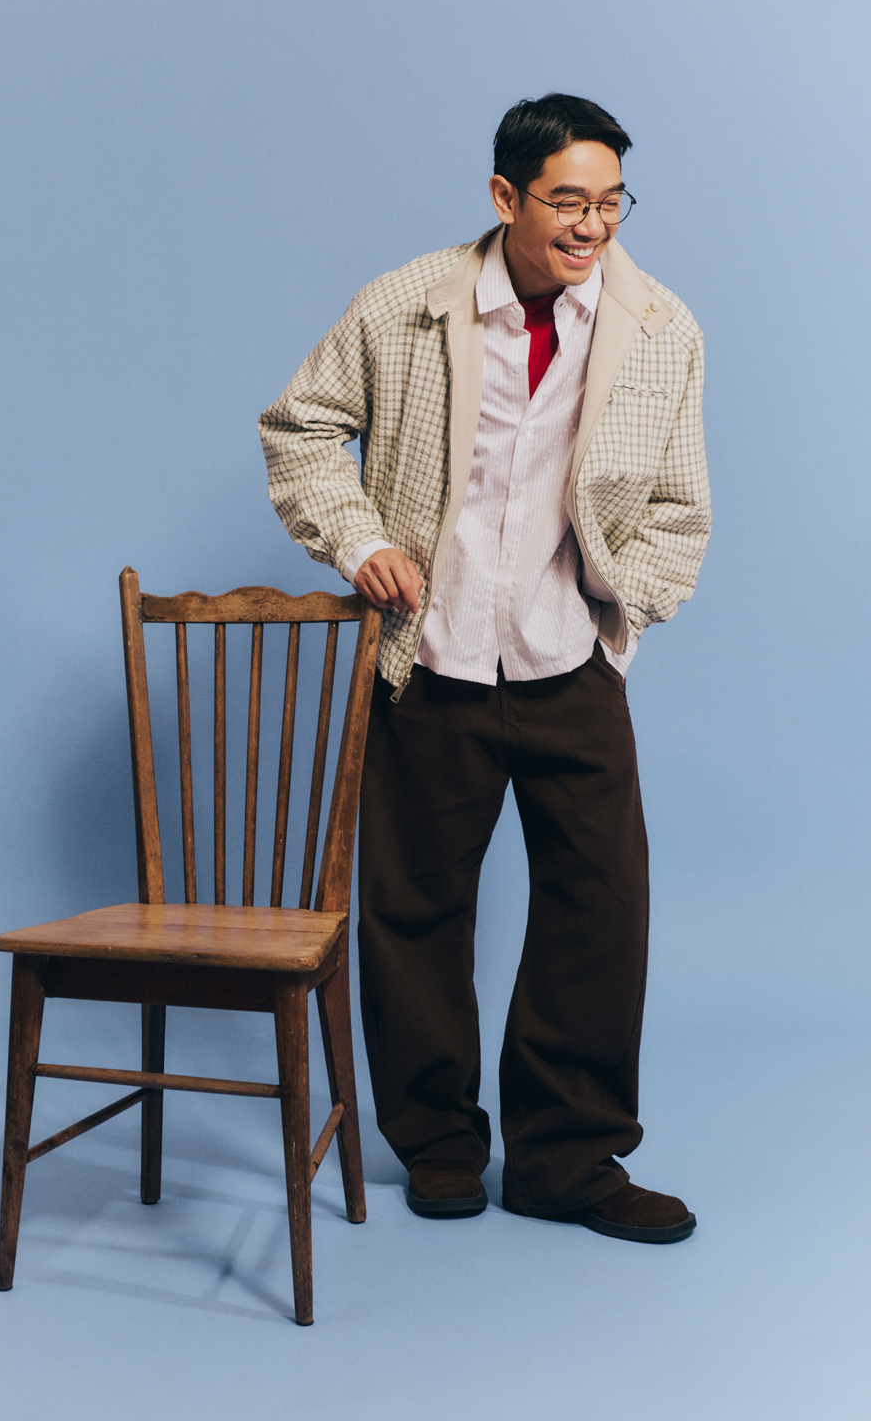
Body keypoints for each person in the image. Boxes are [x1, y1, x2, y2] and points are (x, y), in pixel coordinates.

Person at [258, 94, 709, 1243]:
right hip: (432, 656)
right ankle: (441, 1146)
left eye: (612, 203)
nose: (592, 226)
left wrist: (626, 609)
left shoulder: (661, 329)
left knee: (601, 910)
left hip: (569, 659)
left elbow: (679, 505)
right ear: (506, 197)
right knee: (414, 910)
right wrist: (359, 542)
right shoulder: (407, 303)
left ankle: (567, 1160)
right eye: (568, 202)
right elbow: (301, 428)